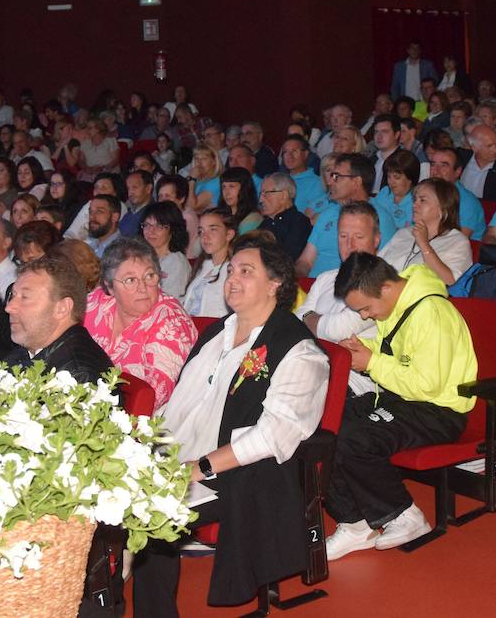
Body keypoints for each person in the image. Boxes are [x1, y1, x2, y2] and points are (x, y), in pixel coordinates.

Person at [132, 241, 329, 615]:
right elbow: (180, 404)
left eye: (246, 271)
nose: (232, 280)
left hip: (238, 473)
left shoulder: (299, 352)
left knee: (152, 514)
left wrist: (198, 467)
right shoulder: (215, 335)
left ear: (275, 284)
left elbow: (273, 435)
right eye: (231, 271)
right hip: (177, 453)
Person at [324, 252, 478, 559]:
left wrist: (371, 362)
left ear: (385, 288)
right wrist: (365, 350)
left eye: (365, 308)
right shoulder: (396, 305)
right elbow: (401, 359)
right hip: (403, 399)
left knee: (354, 438)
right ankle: (355, 524)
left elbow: (427, 384)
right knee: (321, 424)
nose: (365, 317)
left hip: (439, 411)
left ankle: (404, 515)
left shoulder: (432, 312)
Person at [82, 237, 197, 410]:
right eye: (130, 280)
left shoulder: (171, 321)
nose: (143, 287)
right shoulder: (96, 302)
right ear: (110, 286)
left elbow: (153, 396)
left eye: (149, 276)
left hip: (143, 423)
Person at [3, 257, 113, 384]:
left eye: (25, 297)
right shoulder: (25, 352)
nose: (9, 307)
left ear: (62, 308)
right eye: (13, 295)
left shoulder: (78, 376)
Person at [297, 153, 397, 278]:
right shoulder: (327, 214)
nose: (330, 181)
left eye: (336, 176)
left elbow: (383, 268)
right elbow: (305, 261)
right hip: (313, 287)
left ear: (356, 182)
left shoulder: (379, 218)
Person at [379, 179, 473, 286]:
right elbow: (378, 266)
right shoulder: (403, 233)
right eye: (415, 200)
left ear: (442, 208)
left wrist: (424, 244)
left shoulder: (457, 241)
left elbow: (450, 281)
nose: (414, 205)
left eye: (422, 200)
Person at [183, 207, 236, 319]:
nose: (205, 236)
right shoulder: (204, 267)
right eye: (201, 231)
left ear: (229, 234)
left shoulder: (234, 272)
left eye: (213, 229)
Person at [426, 145, 486, 239]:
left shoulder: (467, 202)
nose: (436, 171)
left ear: (457, 172)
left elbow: (457, 242)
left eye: (443, 165)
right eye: (433, 164)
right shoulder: (425, 194)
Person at [139, 200, 191, 300]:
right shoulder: (142, 258)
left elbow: (171, 300)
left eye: (159, 226)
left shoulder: (176, 262)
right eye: (147, 225)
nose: (151, 231)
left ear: (172, 229)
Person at [257, 172, 313, 262]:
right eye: (261, 194)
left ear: (284, 196)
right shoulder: (265, 223)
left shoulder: (300, 223)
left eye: (266, 193)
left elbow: (286, 259)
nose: (261, 199)